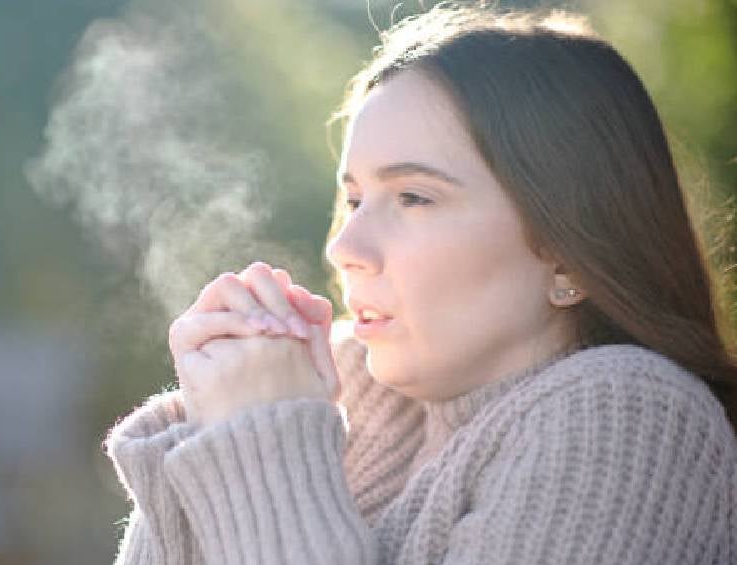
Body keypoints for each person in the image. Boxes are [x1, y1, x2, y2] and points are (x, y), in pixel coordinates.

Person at [104, 5, 737, 564]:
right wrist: (213, 432)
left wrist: (268, 441)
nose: (343, 248)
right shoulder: (348, 400)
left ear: (568, 251)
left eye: (413, 197)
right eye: (353, 200)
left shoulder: (628, 418)